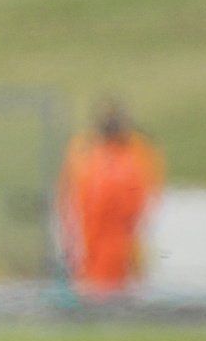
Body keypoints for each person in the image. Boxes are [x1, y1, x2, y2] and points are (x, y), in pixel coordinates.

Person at [57, 100, 164, 295]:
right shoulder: (85, 148)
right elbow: (68, 192)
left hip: (122, 233)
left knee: (122, 278)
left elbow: (146, 192)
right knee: (93, 279)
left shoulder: (136, 150)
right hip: (92, 234)